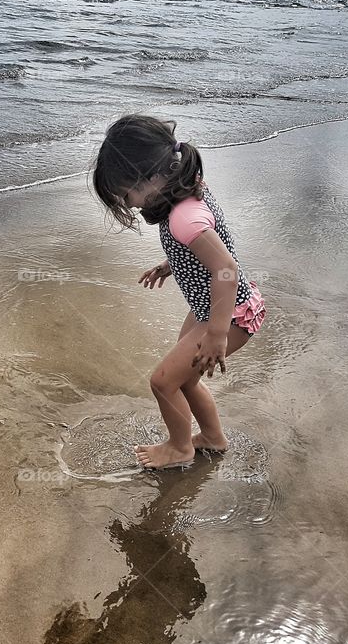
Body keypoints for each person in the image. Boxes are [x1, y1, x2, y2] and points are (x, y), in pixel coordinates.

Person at [91, 114, 266, 470]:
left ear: (153, 177)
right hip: (215, 308)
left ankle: (179, 447)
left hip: (226, 314)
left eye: (128, 194)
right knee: (183, 380)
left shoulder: (183, 218)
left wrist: (217, 334)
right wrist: (173, 263)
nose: (130, 205)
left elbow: (226, 269)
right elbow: (210, 251)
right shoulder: (191, 192)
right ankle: (213, 438)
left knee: (162, 382)